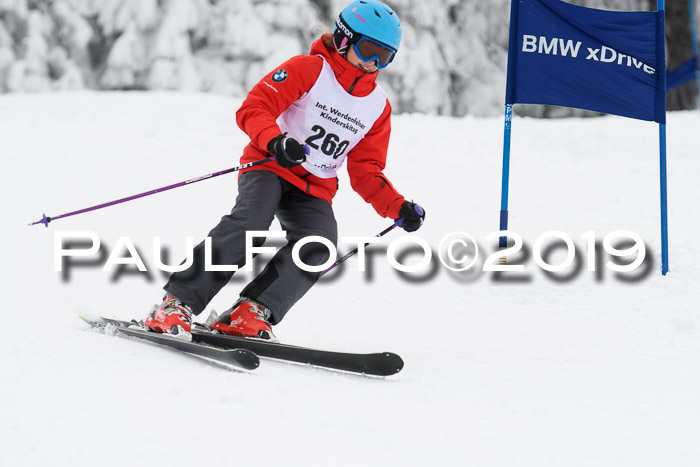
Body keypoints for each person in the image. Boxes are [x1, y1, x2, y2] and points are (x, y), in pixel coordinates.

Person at [143, 0, 425, 342]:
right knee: (250, 224)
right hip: (270, 166)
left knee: (319, 243)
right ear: (344, 38)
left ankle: (250, 311)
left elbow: (366, 170)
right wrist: (276, 141)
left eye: (384, 56)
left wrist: (397, 207)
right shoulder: (308, 70)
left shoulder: (376, 106)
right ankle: (176, 302)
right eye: (368, 50)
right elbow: (254, 108)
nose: (373, 63)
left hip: (315, 187)